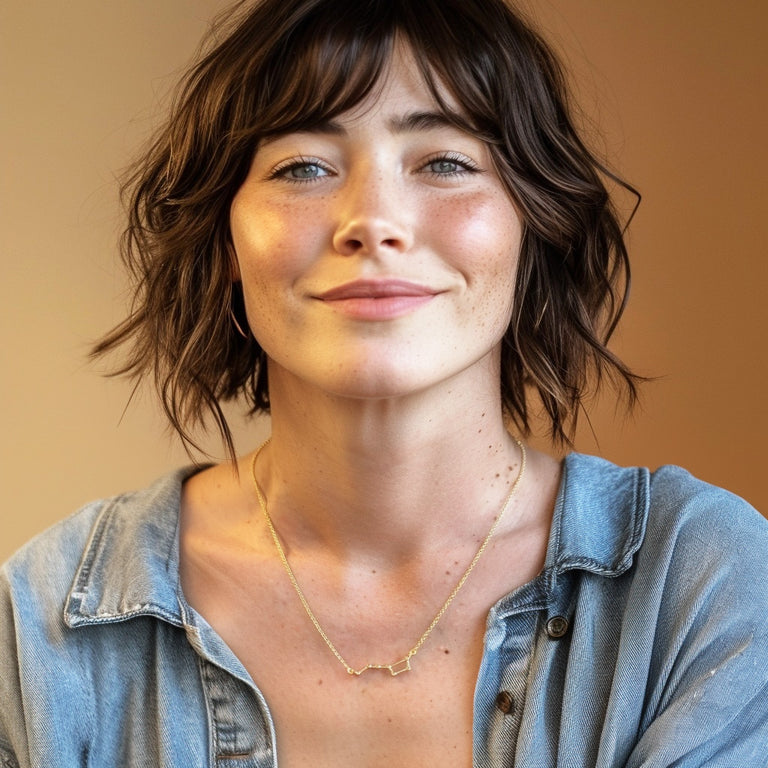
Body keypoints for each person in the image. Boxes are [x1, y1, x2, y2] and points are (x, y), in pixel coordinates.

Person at [1, 0, 767, 765]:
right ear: (224, 240)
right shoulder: (43, 625)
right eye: (303, 166)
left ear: (533, 225)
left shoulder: (698, 581)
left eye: (444, 162)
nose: (372, 220)